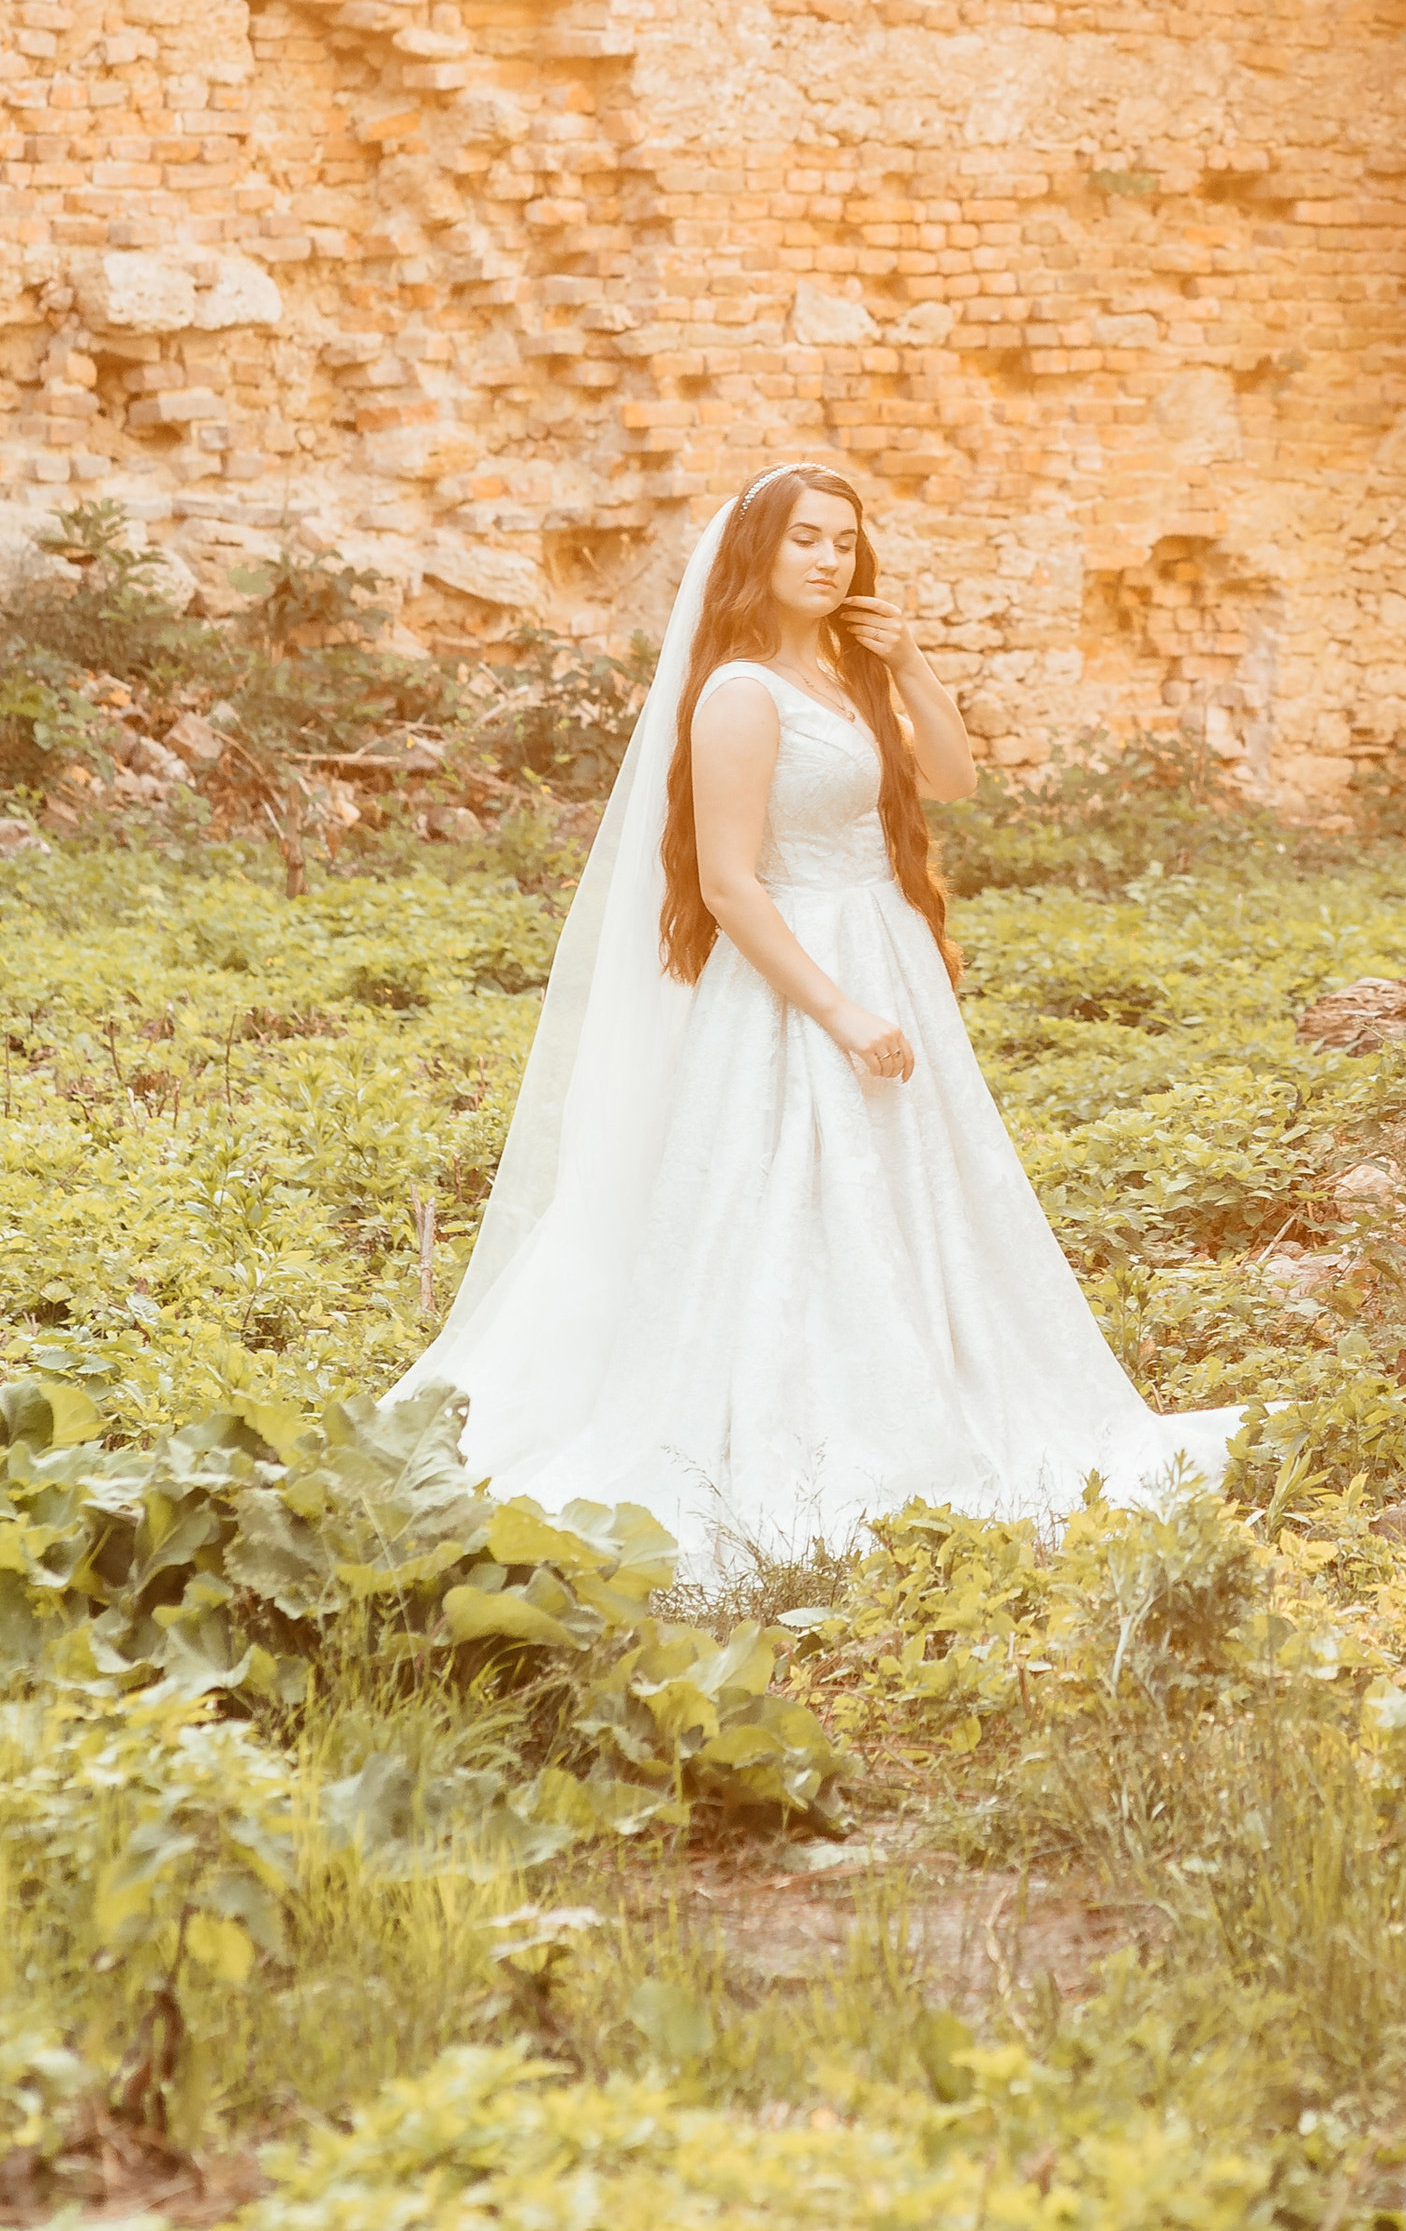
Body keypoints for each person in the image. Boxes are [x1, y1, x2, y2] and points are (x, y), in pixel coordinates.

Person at [406, 461, 1240, 1558]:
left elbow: (954, 780)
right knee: (787, 1193)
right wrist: (840, 1013)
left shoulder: (847, 679)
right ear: (759, 552)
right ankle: (808, 1415)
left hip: (880, 944)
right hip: (797, 971)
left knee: (910, 1189)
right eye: (804, 538)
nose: (826, 558)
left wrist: (909, 660)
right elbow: (728, 885)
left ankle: (934, 1382)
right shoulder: (740, 694)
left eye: (843, 542)